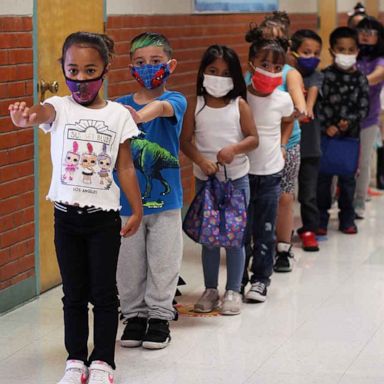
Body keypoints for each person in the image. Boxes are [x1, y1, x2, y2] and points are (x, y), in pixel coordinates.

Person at [9, 32, 143, 384]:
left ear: (104, 70)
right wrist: (25, 117)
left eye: (89, 70)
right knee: (73, 293)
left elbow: (125, 167)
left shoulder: (119, 115)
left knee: (103, 293)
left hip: (103, 221)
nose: (81, 79)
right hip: (66, 219)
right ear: (62, 69)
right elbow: (41, 112)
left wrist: (137, 209)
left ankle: (103, 361)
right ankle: (75, 360)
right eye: (73, 70)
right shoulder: (59, 107)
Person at [115, 32, 187, 350]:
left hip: (165, 202)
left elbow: (160, 109)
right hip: (126, 203)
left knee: (163, 260)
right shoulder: (118, 106)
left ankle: (159, 315)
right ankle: (134, 316)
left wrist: (137, 117)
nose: (148, 68)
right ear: (131, 67)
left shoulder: (176, 100)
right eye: (140, 63)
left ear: (170, 65)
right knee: (128, 264)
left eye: (155, 62)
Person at [180, 45, 258, 315]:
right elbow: (185, 141)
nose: (218, 77)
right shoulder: (196, 105)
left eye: (225, 73)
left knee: (234, 239)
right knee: (209, 238)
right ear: (203, 73)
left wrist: (234, 149)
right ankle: (211, 289)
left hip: (236, 181)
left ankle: (233, 289)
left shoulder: (240, 105)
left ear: (235, 77)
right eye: (212, 71)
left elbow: (253, 138)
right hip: (206, 182)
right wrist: (201, 161)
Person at [242, 26, 294, 302]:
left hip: (270, 173)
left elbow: (289, 120)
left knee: (264, 230)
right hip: (241, 173)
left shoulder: (283, 98)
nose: (271, 71)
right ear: (251, 65)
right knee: (241, 230)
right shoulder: (241, 95)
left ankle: (261, 280)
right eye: (264, 65)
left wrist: (283, 144)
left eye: (277, 67)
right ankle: (238, 279)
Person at [317, 26, 369, 235]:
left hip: (350, 139)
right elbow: (317, 105)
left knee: (348, 181)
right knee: (323, 181)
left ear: (357, 51)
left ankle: (347, 218)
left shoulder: (361, 79)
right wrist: (326, 125)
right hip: (326, 137)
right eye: (341, 49)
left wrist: (349, 121)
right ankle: (321, 218)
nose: (346, 54)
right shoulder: (324, 77)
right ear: (331, 51)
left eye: (350, 50)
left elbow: (364, 107)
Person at [289, 29, 324, 252]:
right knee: (285, 194)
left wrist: (307, 109)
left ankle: (310, 229)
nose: (311, 57)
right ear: (293, 52)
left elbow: (312, 91)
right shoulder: (286, 76)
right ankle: (281, 231)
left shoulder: (316, 76)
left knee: (308, 194)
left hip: (310, 147)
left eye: (315, 53)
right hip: (289, 146)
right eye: (306, 52)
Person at [354, 17, 384, 218]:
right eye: (362, 30)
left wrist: (348, 79)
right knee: (343, 160)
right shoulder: (351, 54)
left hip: (369, 118)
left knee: (364, 162)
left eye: (371, 32)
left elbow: (376, 76)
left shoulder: (380, 59)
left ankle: (359, 203)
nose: (366, 34)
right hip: (344, 118)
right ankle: (336, 200)